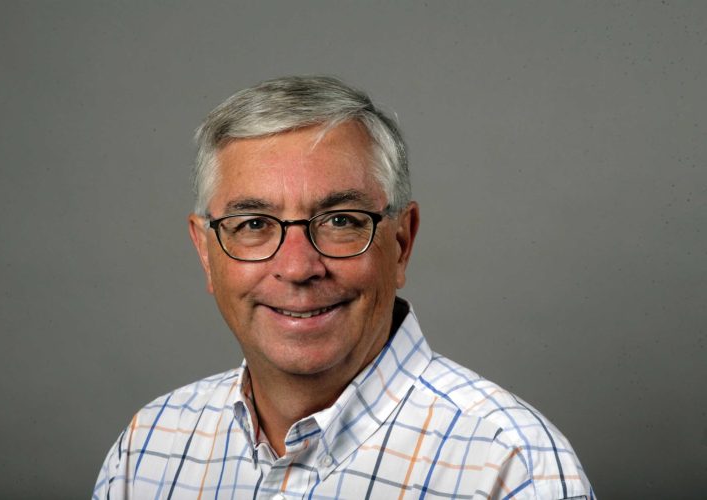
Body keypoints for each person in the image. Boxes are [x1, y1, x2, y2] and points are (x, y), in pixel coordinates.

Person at [93, 76, 594, 499]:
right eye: (252, 224)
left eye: (339, 220)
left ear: (401, 242)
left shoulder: (511, 468)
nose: (297, 267)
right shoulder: (148, 447)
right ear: (206, 252)